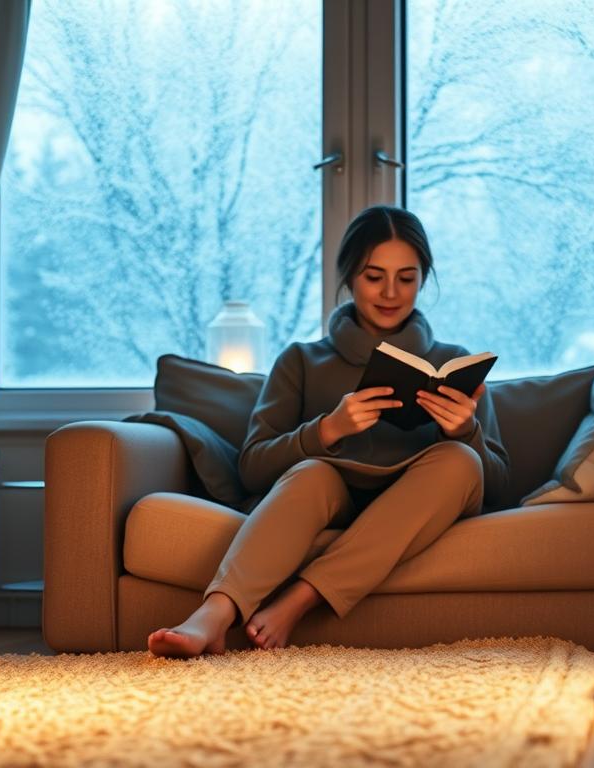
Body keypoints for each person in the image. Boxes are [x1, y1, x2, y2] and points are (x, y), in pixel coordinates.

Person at [148, 205, 509, 658]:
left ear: (424, 279)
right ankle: (214, 616)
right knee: (312, 474)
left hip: (423, 499)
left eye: (408, 277)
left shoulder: (456, 362)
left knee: (460, 460)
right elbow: (252, 469)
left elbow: (495, 484)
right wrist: (327, 429)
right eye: (374, 276)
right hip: (332, 493)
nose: (392, 292)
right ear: (348, 276)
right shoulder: (301, 360)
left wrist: (465, 430)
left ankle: (301, 597)